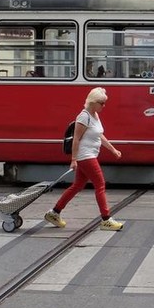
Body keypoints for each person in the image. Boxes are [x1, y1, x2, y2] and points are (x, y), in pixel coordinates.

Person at [44, 87, 125, 231]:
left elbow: (100, 135)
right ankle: (106, 219)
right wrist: (74, 159)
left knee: (77, 186)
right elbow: (76, 139)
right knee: (100, 185)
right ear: (93, 102)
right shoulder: (84, 116)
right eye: (102, 103)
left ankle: (54, 213)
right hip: (85, 156)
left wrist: (113, 150)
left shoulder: (95, 115)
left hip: (89, 155)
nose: (104, 106)